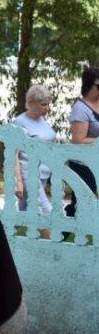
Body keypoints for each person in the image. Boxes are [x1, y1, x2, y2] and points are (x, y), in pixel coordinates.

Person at [13, 85, 56, 238]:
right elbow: (14, 154)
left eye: (48, 104)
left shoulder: (43, 119)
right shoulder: (20, 122)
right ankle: (53, 251)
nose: (47, 108)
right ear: (31, 103)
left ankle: (5, 243)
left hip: (44, 174)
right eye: (43, 104)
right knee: (46, 211)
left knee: (25, 213)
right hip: (29, 173)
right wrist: (18, 182)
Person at [65, 65, 99, 230]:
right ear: (88, 86)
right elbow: (78, 140)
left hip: (95, 160)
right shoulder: (80, 109)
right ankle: (64, 229)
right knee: (84, 199)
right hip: (83, 163)